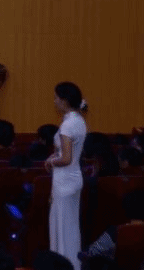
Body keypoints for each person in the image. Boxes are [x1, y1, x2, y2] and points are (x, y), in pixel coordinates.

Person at [47, 82, 88, 264]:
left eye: (56, 98)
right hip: (74, 178)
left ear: (64, 100)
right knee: (71, 228)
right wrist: (57, 156)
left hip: (64, 181)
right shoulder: (79, 121)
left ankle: (62, 264)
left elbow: (66, 159)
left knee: (61, 229)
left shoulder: (67, 125)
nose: (54, 101)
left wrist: (50, 161)